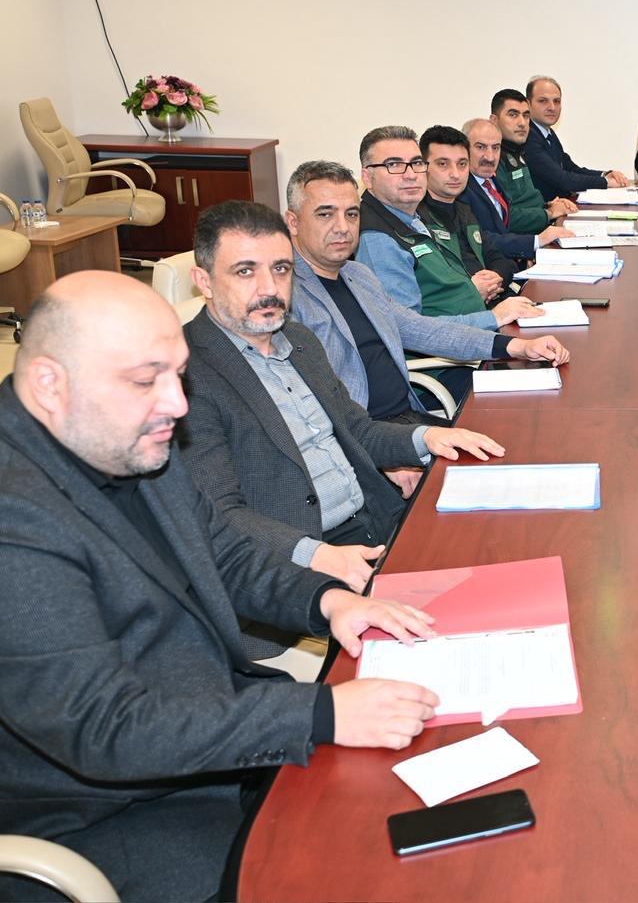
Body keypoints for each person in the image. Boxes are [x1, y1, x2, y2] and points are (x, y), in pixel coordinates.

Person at [0, 270, 440, 901]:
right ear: (50, 383)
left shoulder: (120, 432)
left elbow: (222, 553)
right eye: (145, 379)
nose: (177, 405)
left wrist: (326, 600)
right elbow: (106, 729)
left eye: (178, 375)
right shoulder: (15, 518)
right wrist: (320, 713)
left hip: (211, 729)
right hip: (106, 813)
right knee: (355, 862)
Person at [180, 203, 506, 647]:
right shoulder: (185, 374)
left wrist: (430, 436)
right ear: (203, 281)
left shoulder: (298, 340)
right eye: (245, 271)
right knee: (457, 638)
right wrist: (318, 556)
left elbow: (358, 430)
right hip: (296, 571)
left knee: (497, 564)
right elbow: (218, 514)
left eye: (280, 269)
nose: (269, 288)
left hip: (375, 523)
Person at [284, 160, 569, 424]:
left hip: (407, 418)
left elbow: (421, 330)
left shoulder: (357, 275)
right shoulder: (288, 297)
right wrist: (411, 445)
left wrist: (516, 347)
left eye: (351, 214)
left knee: (538, 420)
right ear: (293, 222)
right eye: (325, 214)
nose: (342, 227)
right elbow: (318, 414)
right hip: (366, 436)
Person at [353, 124, 538, 329]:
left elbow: (454, 289)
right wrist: (494, 318)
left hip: (475, 328)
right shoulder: (377, 239)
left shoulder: (412, 220)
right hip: (460, 343)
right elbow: (407, 330)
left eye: (416, 163)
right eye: (394, 165)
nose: (411, 174)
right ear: (367, 178)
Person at [462, 116, 571, 265]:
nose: (490, 157)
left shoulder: (492, 180)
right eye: (480, 147)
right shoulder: (462, 189)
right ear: (464, 149)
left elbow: (504, 223)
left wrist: (548, 207)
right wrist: (535, 242)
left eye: (496, 147)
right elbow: (480, 239)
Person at [420, 124, 517, 292]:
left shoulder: (463, 211)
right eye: (443, 164)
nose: (455, 174)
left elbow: (499, 259)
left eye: (462, 164)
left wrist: (494, 278)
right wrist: (474, 289)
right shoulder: (417, 218)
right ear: (423, 167)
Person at [521, 75, 630, 197]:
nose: (552, 107)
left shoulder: (547, 133)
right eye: (543, 101)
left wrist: (605, 174)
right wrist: (606, 182)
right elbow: (562, 179)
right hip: (547, 207)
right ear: (528, 104)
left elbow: (571, 168)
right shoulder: (527, 136)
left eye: (556, 101)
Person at [490, 87, 577, 236]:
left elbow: (525, 203)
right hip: (524, 242)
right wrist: (548, 213)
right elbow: (505, 217)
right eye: (513, 115)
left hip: (539, 231)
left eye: (526, 116)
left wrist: (549, 205)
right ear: (494, 121)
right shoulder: (492, 161)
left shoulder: (517, 151)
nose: (522, 123)